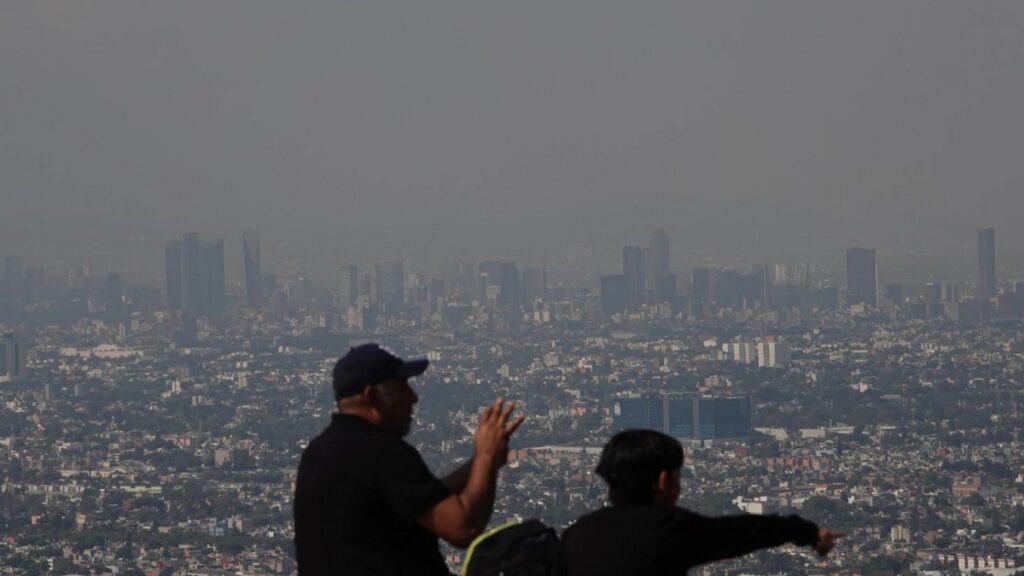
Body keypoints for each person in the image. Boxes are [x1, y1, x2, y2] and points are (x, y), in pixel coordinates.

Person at [294, 343, 524, 575]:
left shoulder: (318, 453)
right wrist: (485, 456)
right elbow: (463, 528)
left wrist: (484, 463)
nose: (413, 398)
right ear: (371, 396)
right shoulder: (382, 452)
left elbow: (421, 500)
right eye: (401, 388)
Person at [558, 429, 845, 575]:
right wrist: (807, 533)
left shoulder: (578, 534)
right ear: (662, 481)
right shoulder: (670, 531)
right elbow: (745, 532)